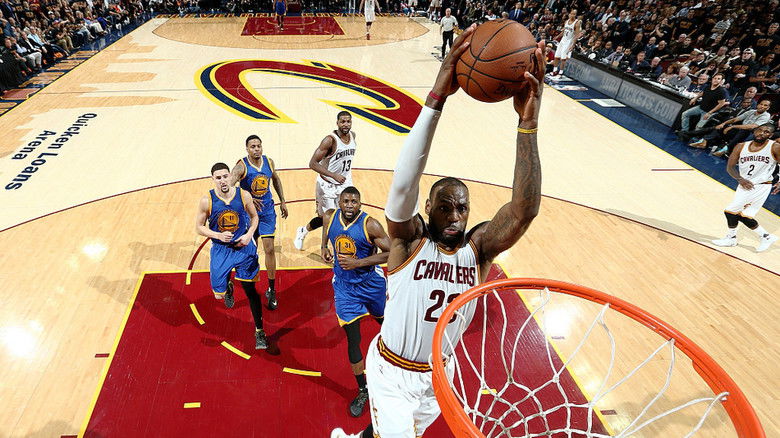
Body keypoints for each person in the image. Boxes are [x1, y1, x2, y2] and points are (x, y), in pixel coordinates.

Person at [331, 24, 544, 438]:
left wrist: (528, 123)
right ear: (427, 209)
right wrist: (435, 99)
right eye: (443, 206)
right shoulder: (409, 240)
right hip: (391, 371)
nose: (453, 215)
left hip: (437, 376)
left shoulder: (478, 251)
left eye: (461, 208)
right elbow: (402, 186)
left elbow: (524, 211)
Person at [321, 186, 391, 418]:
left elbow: (392, 253)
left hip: (371, 284)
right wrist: (323, 247)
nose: (350, 205)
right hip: (344, 288)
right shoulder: (329, 216)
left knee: (386, 326)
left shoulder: (371, 225)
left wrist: (358, 263)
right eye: (346, 201)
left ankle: (398, 365)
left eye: (354, 201)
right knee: (353, 339)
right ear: (339, 202)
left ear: (360, 204)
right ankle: (363, 390)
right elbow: (326, 231)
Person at [195, 163, 269, 350]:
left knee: (250, 291)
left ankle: (259, 331)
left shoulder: (244, 195)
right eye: (218, 178)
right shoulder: (207, 201)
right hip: (221, 249)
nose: (222, 181)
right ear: (213, 179)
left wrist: (249, 235)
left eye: (225, 176)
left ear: (230, 176)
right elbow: (199, 227)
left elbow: (254, 217)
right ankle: (227, 286)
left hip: (243, 248)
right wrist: (217, 235)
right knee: (218, 296)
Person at [228, 135, 288, 310]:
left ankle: (271, 289)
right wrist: (248, 198)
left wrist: (283, 200)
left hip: (267, 212)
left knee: (269, 249)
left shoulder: (269, 162)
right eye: (253, 146)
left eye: (258, 146)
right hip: (249, 215)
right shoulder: (241, 166)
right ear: (247, 149)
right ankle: (228, 281)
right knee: (243, 252)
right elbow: (229, 186)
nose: (256, 149)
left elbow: (276, 179)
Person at [294, 112, 357, 251]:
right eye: (343, 122)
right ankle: (304, 231)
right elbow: (312, 163)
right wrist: (333, 175)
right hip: (327, 184)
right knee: (326, 219)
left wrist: (342, 175)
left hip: (345, 182)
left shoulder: (353, 136)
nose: (346, 124)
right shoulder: (329, 140)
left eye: (348, 121)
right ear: (337, 123)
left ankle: (342, 246)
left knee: (348, 213)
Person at [711, 124, 779, 252]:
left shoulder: (774, 147)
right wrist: (740, 179)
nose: (762, 133)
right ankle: (766, 236)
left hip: (761, 185)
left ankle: (731, 238)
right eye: (760, 130)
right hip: (744, 184)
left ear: (770, 135)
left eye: (766, 132)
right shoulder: (741, 146)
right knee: (745, 215)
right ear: (755, 131)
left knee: (730, 211)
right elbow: (730, 167)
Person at [678, 73, 728, 138]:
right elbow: (702, 93)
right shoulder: (708, 86)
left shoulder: (721, 91)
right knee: (685, 114)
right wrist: (695, 98)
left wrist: (709, 113)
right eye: (715, 78)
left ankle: (694, 140)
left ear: (721, 81)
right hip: (701, 107)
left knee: (698, 127)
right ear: (712, 79)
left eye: (718, 79)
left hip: (709, 112)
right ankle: (684, 132)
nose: (716, 80)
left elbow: (721, 104)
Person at [550, 8, 579, 76]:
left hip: (569, 42)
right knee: (556, 56)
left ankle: (561, 73)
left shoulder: (577, 23)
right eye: (571, 13)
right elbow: (563, 31)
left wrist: (573, 45)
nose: (572, 15)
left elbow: (576, 35)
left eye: (574, 14)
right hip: (563, 40)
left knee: (563, 58)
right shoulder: (566, 21)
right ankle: (554, 71)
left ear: (575, 15)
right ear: (569, 14)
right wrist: (557, 37)